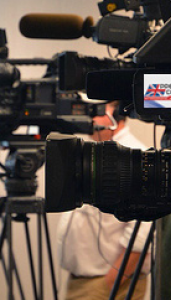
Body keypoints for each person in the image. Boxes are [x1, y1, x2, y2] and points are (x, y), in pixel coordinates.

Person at [57, 101, 152, 300]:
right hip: (84, 281)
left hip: (109, 285)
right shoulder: (93, 150)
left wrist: (110, 283)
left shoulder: (135, 155)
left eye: (94, 110)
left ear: (112, 113)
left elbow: (141, 235)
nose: (86, 116)